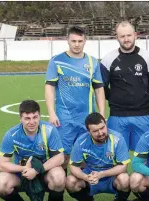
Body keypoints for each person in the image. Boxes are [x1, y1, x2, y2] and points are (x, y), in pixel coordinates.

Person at [45, 26, 106, 171]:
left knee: (86, 155)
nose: (77, 44)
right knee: (62, 156)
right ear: (68, 41)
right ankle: (59, 188)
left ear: (85, 41)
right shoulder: (56, 61)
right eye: (73, 41)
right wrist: (51, 112)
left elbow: (99, 88)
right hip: (64, 118)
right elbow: (49, 87)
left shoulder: (92, 62)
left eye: (80, 41)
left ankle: (84, 190)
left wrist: (102, 113)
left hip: (87, 118)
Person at [100, 21, 149, 151]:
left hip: (142, 116)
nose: (126, 39)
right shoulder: (108, 59)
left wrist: (143, 98)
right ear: (117, 37)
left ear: (135, 35)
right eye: (122, 36)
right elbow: (101, 87)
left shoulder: (147, 57)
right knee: (115, 155)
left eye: (129, 35)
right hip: (117, 117)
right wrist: (115, 99)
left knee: (144, 155)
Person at [0, 100, 65, 201]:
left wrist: (36, 170)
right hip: (22, 173)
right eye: (27, 118)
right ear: (20, 119)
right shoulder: (11, 135)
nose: (32, 122)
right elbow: (2, 164)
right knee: (0, 183)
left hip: (45, 171)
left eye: (35, 117)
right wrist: (23, 169)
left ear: (39, 116)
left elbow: (59, 158)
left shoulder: (49, 130)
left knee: (59, 177)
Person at [66, 112, 130, 201]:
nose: (100, 133)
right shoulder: (81, 142)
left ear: (106, 124)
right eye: (95, 131)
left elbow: (123, 167)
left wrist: (101, 174)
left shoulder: (118, 139)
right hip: (90, 176)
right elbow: (73, 167)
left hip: (111, 176)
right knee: (70, 181)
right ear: (88, 131)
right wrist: (85, 177)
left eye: (102, 128)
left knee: (124, 179)